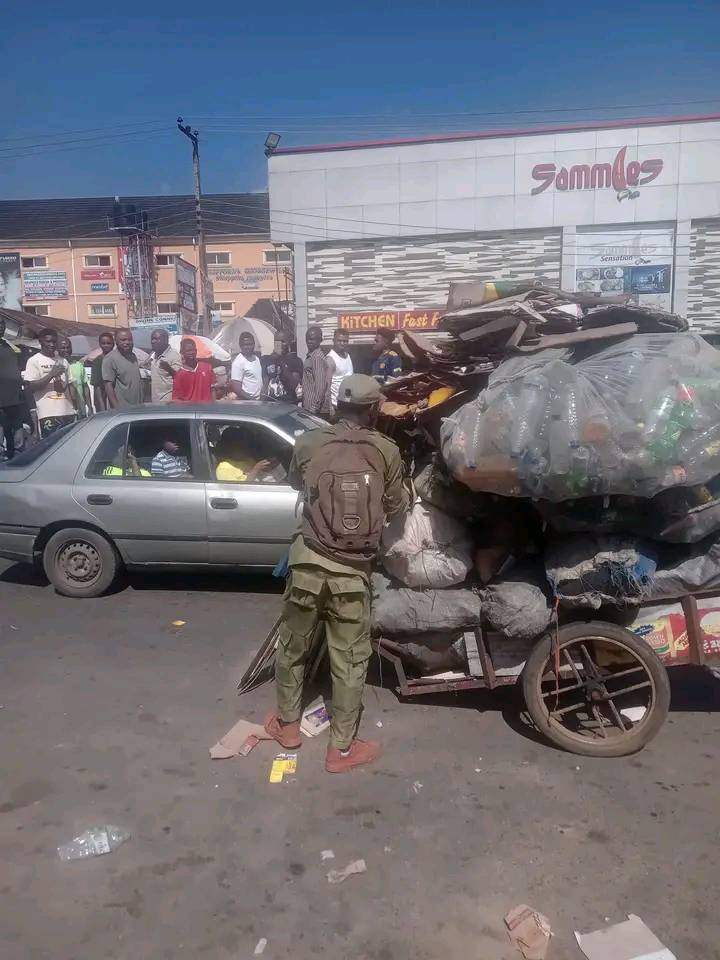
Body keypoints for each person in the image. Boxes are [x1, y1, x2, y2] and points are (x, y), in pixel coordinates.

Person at [266, 374, 409, 773]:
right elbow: (396, 505)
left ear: (337, 406)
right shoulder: (385, 451)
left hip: (308, 562)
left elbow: (299, 483)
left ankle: (289, 728)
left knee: (293, 646)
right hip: (352, 572)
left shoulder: (310, 442)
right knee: (349, 660)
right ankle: (340, 750)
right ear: (373, 410)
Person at [22, 328, 77, 437]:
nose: (52, 344)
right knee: (52, 448)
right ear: (40, 341)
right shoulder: (34, 360)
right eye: (48, 341)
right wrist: (51, 374)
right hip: (48, 414)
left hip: (68, 412)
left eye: (54, 342)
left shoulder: (63, 360)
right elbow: (31, 386)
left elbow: (70, 385)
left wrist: (75, 407)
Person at [0, 318, 25, 459]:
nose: (1, 327)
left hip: (15, 398)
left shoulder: (8, 346)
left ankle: (17, 456)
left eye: (2, 325)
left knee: (17, 432)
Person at [103, 329, 143, 408]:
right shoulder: (110, 359)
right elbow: (108, 386)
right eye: (123, 340)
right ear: (116, 341)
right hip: (122, 410)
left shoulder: (133, 356)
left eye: (130, 339)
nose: (127, 342)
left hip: (137, 407)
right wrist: (117, 408)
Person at [172, 337, 218, 403]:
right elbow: (177, 399)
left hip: (207, 410)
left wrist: (214, 405)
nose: (191, 352)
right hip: (190, 411)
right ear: (182, 352)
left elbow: (213, 390)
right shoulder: (179, 375)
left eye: (193, 350)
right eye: (188, 351)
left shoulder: (207, 367)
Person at [261, 331, 303, 402]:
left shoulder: (296, 361)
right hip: (271, 403)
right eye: (277, 341)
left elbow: (294, 384)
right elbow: (265, 384)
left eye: (283, 341)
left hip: (288, 403)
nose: (279, 344)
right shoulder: (266, 360)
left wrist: (281, 362)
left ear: (289, 342)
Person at [302, 325, 331, 417]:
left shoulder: (317, 357)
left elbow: (321, 385)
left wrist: (314, 407)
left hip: (316, 410)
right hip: (311, 408)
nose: (309, 342)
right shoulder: (311, 356)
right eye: (307, 339)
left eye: (312, 339)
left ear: (320, 340)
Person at [58, 337, 91, 419]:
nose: (66, 350)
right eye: (63, 348)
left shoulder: (78, 365)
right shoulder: (55, 366)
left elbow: (85, 387)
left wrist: (90, 407)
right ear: (57, 349)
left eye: (68, 347)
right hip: (63, 412)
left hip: (81, 411)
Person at [147, 328, 182, 403]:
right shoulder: (154, 356)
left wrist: (169, 368)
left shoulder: (174, 356)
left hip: (168, 403)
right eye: (152, 339)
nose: (153, 342)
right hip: (156, 401)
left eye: (157, 339)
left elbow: (180, 378)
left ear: (165, 340)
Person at [326, 328, 354, 412]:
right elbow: (327, 386)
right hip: (336, 405)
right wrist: (330, 406)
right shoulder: (330, 359)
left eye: (345, 341)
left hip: (349, 403)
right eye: (339, 340)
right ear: (333, 340)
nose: (342, 343)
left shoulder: (348, 356)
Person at [230, 332, 263, 400]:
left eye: (251, 344)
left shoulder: (256, 358)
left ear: (254, 344)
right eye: (245, 345)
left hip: (259, 400)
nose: (248, 347)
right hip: (247, 402)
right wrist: (251, 399)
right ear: (240, 345)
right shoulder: (238, 362)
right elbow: (236, 388)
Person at [90, 332, 115, 412]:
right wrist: (102, 406)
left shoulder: (116, 359)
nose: (106, 345)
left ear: (113, 344)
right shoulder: (98, 361)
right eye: (103, 343)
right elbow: (97, 386)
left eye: (109, 343)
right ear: (100, 344)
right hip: (103, 399)